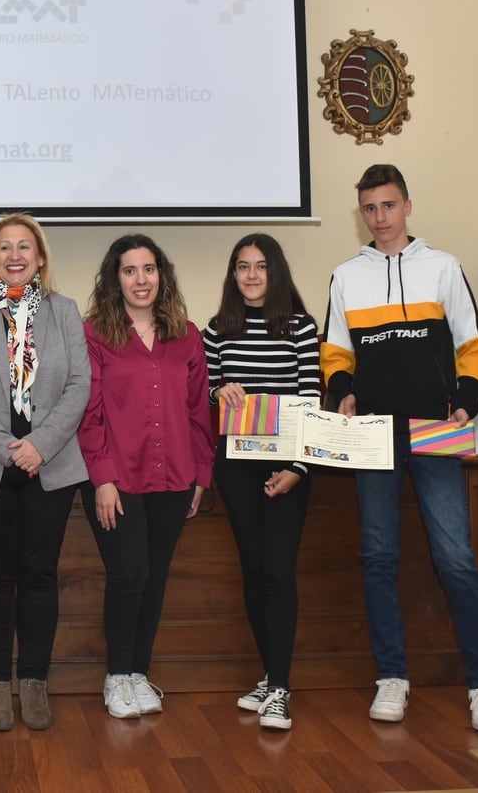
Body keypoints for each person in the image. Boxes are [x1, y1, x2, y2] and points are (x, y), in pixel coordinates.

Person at [320, 163, 478, 732]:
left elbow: (473, 348)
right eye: (370, 208)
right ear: (363, 213)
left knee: (455, 558)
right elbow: (335, 354)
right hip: (373, 434)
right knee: (378, 557)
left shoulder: (444, 268)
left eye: (388, 206)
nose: (380, 218)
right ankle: (392, 678)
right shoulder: (346, 275)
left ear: (407, 206)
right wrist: (343, 394)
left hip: (435, 431)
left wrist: (466, 403)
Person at [0, 214, 90, 731]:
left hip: (48, 467)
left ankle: (32, 682)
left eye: (24, 246)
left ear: (40, 257)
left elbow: (79, 385)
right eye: (3, 247)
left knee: (38, 577)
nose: (14, 254)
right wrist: (11, 449)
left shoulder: (65, 311)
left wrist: (40, 446)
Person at [78, 234, 213, 719]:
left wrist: (201, 473)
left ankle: (139, 672)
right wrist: (103, 478)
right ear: (115, 279)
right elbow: (87, 412)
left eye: (149, 269)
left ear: (162, 276)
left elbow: (199, 411)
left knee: (155, 577)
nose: (141, 279)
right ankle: (117, 675)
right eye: (130, 270)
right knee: (129, 573)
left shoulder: (187, 335)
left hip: (175, 476)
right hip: (119, 478)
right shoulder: (94, 333)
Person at [203, 233, 320, 731]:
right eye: (242, 267)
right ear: (233, 274)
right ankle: (271, 677)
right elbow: (206, 390)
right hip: (236, 466)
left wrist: (299, 470)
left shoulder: (301, 326)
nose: (251, 276)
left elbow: (312, 400)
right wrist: (219, 389)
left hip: (289, 469)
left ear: (276, 273)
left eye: (261, 267)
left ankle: (280, 689)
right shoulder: (216, 329)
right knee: (253, 569)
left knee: (278, 571)